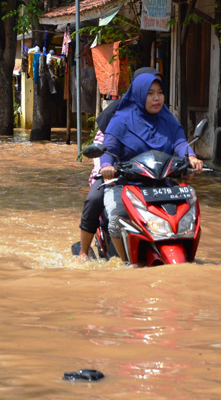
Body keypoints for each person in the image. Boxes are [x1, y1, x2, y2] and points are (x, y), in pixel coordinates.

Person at [79, 73, 203, 263]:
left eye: (160, 93)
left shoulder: (168, 119)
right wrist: (106, 166)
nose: (156, 98)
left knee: (188, 213)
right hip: (126, 181)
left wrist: (191, 157)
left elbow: (180, 142)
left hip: (160, 182)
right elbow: (109, 148)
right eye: (150, 93)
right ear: (138, 94)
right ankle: (121, 261)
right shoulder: (121, 120)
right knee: (115, 216)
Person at [78, 68, 163, 262]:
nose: (155, 95)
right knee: (94, 199)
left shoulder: (162, 115)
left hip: (150, 176)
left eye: (159, 89)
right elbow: (102, 142)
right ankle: (83, 250)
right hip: (116, 176)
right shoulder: (117, 111)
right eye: (150, 89)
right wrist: (106, 168)